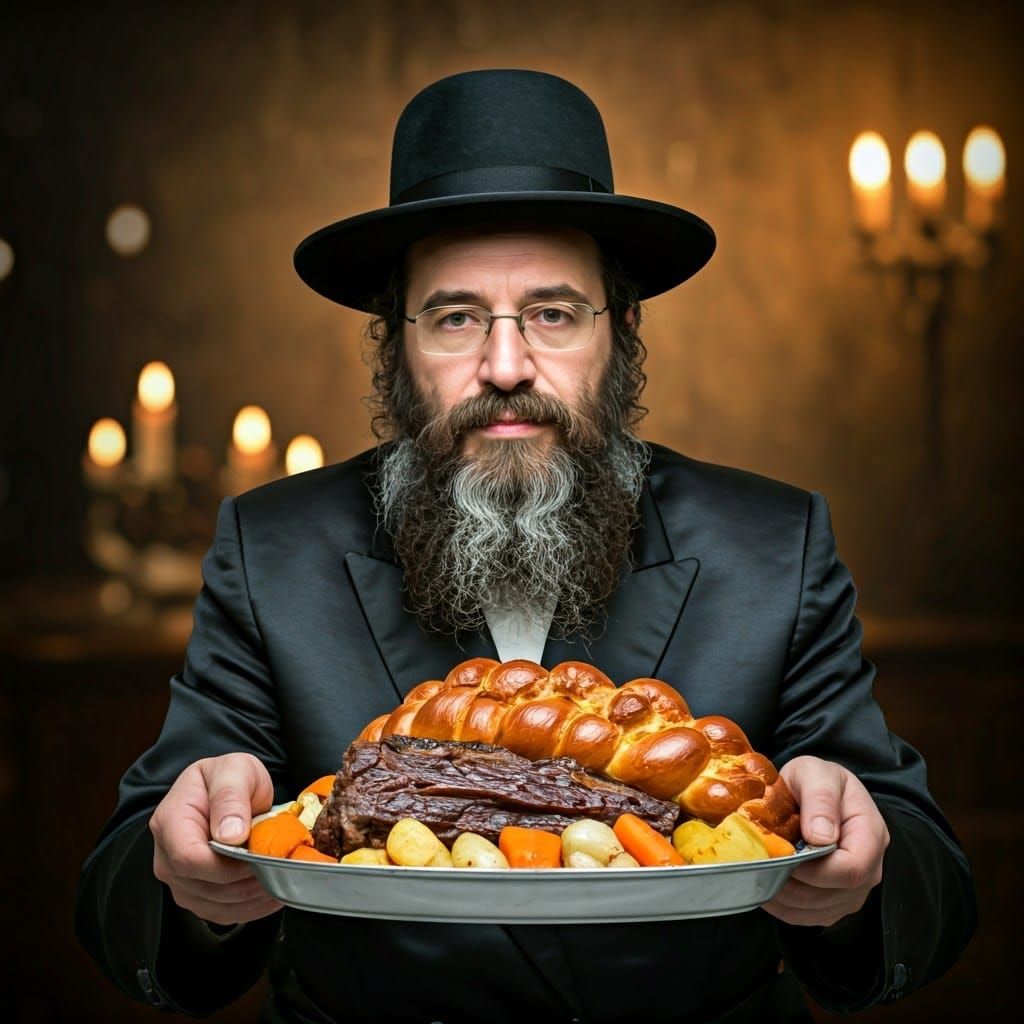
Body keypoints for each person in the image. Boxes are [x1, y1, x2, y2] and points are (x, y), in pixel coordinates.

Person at [76, 69, 976, 1024]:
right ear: (395, 346)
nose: (505, 367)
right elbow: (123, 887)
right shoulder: (275, 549)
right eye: (457, 316)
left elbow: (929, 880)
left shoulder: (774, 545)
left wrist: (856, 869)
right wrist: (191, 877)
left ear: (622, 331)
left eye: (553, 312)